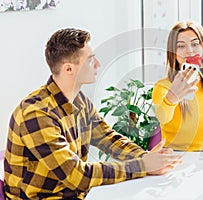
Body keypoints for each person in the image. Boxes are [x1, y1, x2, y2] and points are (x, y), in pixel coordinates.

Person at [4, 28, 182, 199]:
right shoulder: (36, 115)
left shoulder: (79, 101)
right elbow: (76, 175)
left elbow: (109, 139)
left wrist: (146, 158)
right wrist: (142, 165)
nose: (98, 64)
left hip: (77, 194)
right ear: (68, 69)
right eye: (90, 60)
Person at [152, 21, 203, 151]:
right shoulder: (163, 86)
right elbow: (162, 118)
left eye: (195, 44)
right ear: (173, 53)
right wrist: (172, 97)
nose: (189, 51)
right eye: (181, 46)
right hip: (171, 155)